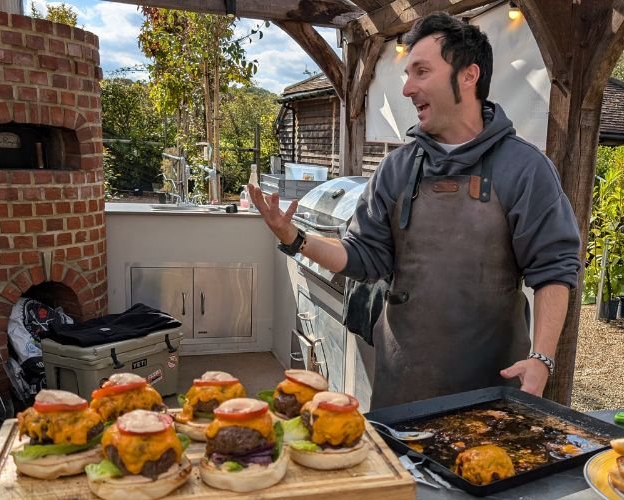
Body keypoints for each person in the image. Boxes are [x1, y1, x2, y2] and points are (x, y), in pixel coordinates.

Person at [249, 12, 581, 409]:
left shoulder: (525, 169)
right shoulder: (397, 167)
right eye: (407, 74)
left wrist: (542, 359)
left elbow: (556, 269)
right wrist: (295, 239)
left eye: (421, 72)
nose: (407, 88)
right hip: (403, 387)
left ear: (468, 76)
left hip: (492, 393)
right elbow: (362, 256)